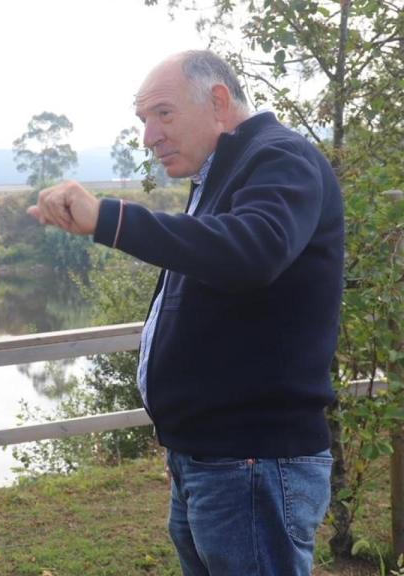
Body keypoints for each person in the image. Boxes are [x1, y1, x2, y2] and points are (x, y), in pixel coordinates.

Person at [28, 50, 343, 575]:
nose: (149, 135)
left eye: (163, 114)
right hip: (214, 460)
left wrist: (110, 218)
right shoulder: (220, 175)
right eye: (143, 120)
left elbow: (251, 252)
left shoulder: (280, 158)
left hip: (252, 462)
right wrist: (184, 442)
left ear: (218, 101)